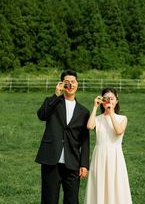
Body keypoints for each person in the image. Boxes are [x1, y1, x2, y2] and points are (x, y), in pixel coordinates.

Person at [35, 69, 90, 204]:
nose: (70, 85)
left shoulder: (83, 112)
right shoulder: (53, 102)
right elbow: (42, 115)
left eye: (73, 82)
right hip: (51, 159)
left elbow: (85, 140)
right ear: (61, 84)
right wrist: (55, 95)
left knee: (72, 200)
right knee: (49, 200)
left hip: (73, 162)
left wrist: (84, 164)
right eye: (67, 82)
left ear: (77, 84)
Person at [84, 87, 132, 204]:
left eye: (112, 98)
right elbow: (90, 126)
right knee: (99, 185)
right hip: (99, 156)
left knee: (115, 186)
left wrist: (111, 114)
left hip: (115, 157)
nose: (109, 101)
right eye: (106, 99)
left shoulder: (122, 118)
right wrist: (95, 107)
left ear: (116, 101)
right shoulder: (98, 119)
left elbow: (119, 131)